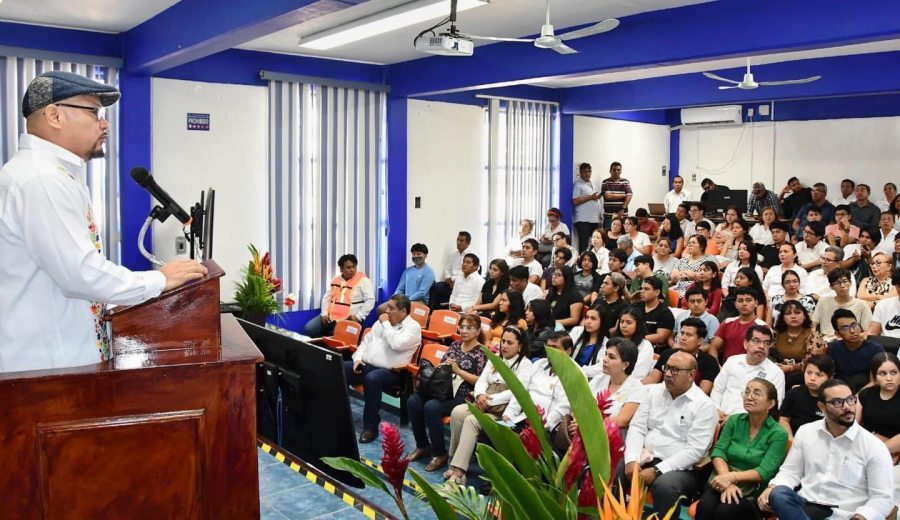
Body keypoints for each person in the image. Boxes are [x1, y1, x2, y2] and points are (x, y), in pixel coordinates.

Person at [0, 71, 209, 373]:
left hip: (53, 362)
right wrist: (159, 280)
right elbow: (79, 272)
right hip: (45, 367)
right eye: (94, 112)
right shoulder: (40, 179)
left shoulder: (49, 174)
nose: (104, 123)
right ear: (54, 115)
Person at [758, 379, 894, 520]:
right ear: (822, 407)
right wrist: (772, 487)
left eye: (850, 400)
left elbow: (882, 497)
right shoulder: (806, 432)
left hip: (845, 514)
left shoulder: (873, 445)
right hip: (805, 507)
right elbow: (790, 472)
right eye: (837, 402)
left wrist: (863, 516)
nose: (847, 406)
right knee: (778, 493)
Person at [620, 351, 718, 517]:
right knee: (619, 470)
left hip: (681, 468)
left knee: (664, 486)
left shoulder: (704, 406)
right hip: (646, 455)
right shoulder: (653, 392)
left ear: (691, 375)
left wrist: (658, 470)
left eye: (675, 370)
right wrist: (631, 459)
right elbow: (637, 427)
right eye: (667, 368)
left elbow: (695, 451)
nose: (666, 374)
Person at [445, 326, 534, 486]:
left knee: (472, 420)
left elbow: (516, 392)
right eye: (503, 341)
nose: (504, 346)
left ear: (520, 346)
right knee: (457, 412)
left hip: (502, 411)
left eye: (510, 343)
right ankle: (453, 460)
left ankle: (459, 472)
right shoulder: (495, 358)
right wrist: (479, 395)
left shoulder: (525, 365)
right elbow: (482, 380)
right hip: (483, 400)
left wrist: (488, 400)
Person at [696, 379, 789, 520]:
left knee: (724, 512)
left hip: (753, 491)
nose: (749, 396)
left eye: (756, 393)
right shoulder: (734, 421)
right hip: (720, 480)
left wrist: (731, 478)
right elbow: (718, 451)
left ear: (771, 403)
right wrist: (726, 481)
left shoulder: (779, 434)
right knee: (705, 506)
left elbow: (764, 471)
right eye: (747, 392)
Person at [406, 314, 487, 471]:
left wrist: (459, 370)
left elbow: (480, 381)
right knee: (414, 401)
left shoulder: (481, 352)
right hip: (444, 389)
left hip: (464, 394)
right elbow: (442, 366)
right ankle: (423, 445)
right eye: (462, 327)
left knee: (432, 407)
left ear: (477, 331)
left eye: (469, 328)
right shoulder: (455, 346)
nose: (464, 331)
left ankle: (440, 453)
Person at [344, 295, 422, 443]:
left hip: (393, 373)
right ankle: (339, 415)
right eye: (387, 307)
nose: (387, 311)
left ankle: (370, 427)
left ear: (403, 311)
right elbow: (365, 342)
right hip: (367, 365)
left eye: (391, 308)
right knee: (339, 367)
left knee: (372, 379)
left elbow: (397, 344)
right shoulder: (380, 322)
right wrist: (357, 358)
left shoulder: (413, 327)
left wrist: (386, 323)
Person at [564, 338, 646, 438]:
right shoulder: (599, 379)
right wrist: (577, 421)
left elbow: (622, 420)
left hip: (612, 443)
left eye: (611, 357)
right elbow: (579, 404)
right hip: (583, 436)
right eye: (606, 354)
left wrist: (587, 426)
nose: (604, 359)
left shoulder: (637, 388)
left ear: (625, 365)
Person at [501, 333, 572, 434]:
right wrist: (508, 414)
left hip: (545, 428)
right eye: (548, 347)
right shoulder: (539, 364)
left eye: (555, 348)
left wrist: (540, 427)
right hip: (522, 419)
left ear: (568, 351)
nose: (550, 352)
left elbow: (562, 409)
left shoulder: (573, 375)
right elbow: (521, 392)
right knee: (494, 429)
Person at [711, 325, 785, 418]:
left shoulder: (775, 372)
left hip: (751, 424)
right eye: (756, 341)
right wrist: (716, 409)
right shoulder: (732, 361)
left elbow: (773, 406)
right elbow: (718, 389)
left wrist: (737, 420)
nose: (762, 346)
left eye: (766, 343)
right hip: (720, 417)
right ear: (746, 343)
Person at [857, 352, 900, 504]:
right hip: (869, 451)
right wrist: (876, 450)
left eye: (893, 372)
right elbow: (852, 427)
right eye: (882, 373)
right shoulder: (865, 395)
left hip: (895, 454)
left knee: (888, 486)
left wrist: (882, 449)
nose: (889, 378)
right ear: (875, 376)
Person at [305, 254, 375, 337]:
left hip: (350, 318)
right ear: (341, 269)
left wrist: (358, 317)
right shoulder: (336, 280)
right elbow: (326, 298)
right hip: (331, 316)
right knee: (309, 329)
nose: (352, 270)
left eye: (354, 267)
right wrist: (324, 314)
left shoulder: (364, 281)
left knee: (337, 335)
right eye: (348, 268)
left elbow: (370, 300)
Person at [647, 317, 720, 395]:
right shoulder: (667, 354)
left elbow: (703, 391)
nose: (683, 338)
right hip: (663, 396)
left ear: (700, 340)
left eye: (688, 335)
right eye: (682, 333)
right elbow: (652, 379)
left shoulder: (709, 361)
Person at [827, 308, 885, 392]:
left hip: (868, 392)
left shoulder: (875, 349)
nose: (852, 331)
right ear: (838, 334)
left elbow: (877, 380)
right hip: (840, 392)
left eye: (854, 325)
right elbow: (829, 377)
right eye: (845, 328)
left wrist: (856, 397)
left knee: (859, 379)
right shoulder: (833, 348)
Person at [772, 301, 826, 388]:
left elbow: (812, 362)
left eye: (797, 313)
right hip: (778, 369)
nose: (793, 316)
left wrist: (790, 367)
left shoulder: (813, 336)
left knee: (790, 378)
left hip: (803, 373)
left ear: (804, 316)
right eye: (788, 313)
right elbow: (769, 353)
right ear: (782, 318)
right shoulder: (776, 334)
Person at [779, 355, 834, 438]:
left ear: (829, 378)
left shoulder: (833, 398)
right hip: (795, 440)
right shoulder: (793, 393)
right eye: (809, 373)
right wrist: (791, 441)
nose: (812, 378)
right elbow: (783, 419)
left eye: (818, 375)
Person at [709, 288, 768, 363]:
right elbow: (713, 347)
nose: (744, 304)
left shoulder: (763, 326)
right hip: (726, 368)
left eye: (748, 300)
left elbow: (763, 353)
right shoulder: (727, 322)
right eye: (740, 300)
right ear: (735, 304)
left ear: (756, 303)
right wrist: (717, 367)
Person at [811, 268, 872, 340]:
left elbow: (868, 331)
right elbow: (813, 325)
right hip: (827, 340)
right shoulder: (823, 302)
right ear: (831, 287)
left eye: (845, 281)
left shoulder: (862, 304)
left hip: (851, 340)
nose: (842, 285)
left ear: (850, 283)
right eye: (837, 283)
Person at [432, 231, 474, 308]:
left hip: (463, 282)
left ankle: (447, 307)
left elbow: (468, 271)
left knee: (449, 289)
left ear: (468, 243)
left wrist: (453, 279)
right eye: (457, 240)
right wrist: (448, 278)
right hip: (450, 281)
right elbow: (447, 268)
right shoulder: (454, 254)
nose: (458, 242)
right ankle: (434, 312)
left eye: (461, 240)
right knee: (435, 286)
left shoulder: (472, 255)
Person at [572, 162, 602, 253]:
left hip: (594, 219)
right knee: (584, 244)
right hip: (583, 220)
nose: (587, 174)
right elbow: (575, 201)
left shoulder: (593, 185)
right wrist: (590, 197)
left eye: (589, 171)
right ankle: (582, 264)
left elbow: (597, 201)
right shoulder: (577, 184)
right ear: (580, 172)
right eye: (585, 171)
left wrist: (600, 216)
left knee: (595, 243)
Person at [592, 272, 630, 341]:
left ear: (616, 288)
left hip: (608, 340)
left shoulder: (624, 306)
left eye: (606, 283)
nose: (601, 286)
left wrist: (599, 336)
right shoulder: (597, 301)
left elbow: (616, 329)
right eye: (603, 283)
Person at [546, 265, 584, 330]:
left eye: (558, 275)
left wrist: (553, 322)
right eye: (554, 274)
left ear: (567, 278)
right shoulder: (552, 293)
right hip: (550, 327)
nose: (554, 277)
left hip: (565, 330)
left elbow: (574, 320)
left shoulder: (575, 297)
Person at [600, 161, 632, 229]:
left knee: (623, 237)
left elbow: (629, 195)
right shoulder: (605, 182)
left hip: (622, 215)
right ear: (610, 171)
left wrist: (623, 209)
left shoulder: (625, 182)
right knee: (607, 236)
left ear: (621, 171)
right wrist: (623, 195)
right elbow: (608, 196)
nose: (616, 171)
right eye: (614, 169)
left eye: (619, 170)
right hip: (609, 216)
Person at [868, 271, 900, 338]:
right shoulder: (883, 305)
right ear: (896, 286)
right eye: (899, 286)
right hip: (886, 345)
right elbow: (872, 333)